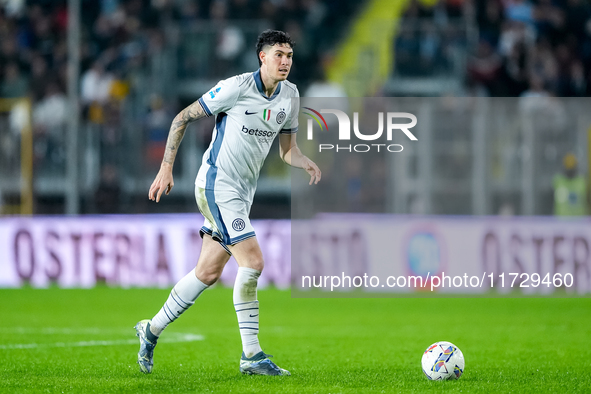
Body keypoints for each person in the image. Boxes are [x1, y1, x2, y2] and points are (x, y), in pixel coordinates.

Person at [135, 30, 321, 376]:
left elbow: (287, 151)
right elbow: (182, 118)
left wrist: (304, 161)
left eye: (290, 56)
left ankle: (150, 329)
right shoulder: (235, 87)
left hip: (241, 194)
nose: (286, 62)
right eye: (279, 54)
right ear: (262, 57)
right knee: (253, 261)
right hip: (216, 185)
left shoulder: (291, 96)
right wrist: (165, 169)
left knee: (206, 272)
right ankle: (251, 356)